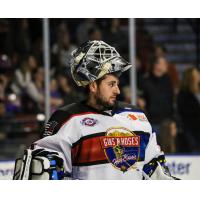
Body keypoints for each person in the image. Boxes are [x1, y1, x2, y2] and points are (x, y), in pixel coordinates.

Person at [13, 40, 178, 180]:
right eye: (111, 84)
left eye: (117, 84)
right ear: (93, 85)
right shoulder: (67, 119)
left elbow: (154, 169)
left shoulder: (137, 116)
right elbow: (42, 170)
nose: (118, 91)